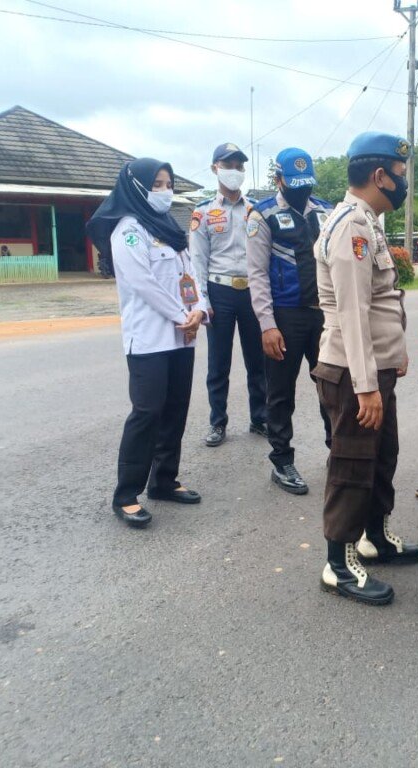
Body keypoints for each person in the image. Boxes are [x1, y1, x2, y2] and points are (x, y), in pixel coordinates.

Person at [312, 131, 418, 606]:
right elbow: (353, 312)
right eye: (400, 175)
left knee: (382, 457)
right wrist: (365, 386)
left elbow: (383, 301)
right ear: (379, 176)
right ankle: (338, 565)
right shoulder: (351, 227)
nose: (404, 183)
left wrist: (393, 358)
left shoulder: (369, 223)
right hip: (353, 374)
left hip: (374, 370)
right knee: (352, 464)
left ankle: (373, 537)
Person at [86, 158, 208, 529]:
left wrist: (200, 309)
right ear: (137, 188)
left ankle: (164, 481)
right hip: (149, 339)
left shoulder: (168, 227)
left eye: (168, 184)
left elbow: (190, 274)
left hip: (181, 337)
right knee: (146, 413)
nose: (165, 191)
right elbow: (142, 283)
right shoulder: (128, 231)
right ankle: (126, 494)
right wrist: (183, 315)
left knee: (175, 410)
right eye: (156, 184)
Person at [247, 148, 334, 495]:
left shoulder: (326, 211)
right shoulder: (263, 215)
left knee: (331, 387)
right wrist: (267, 325)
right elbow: (256, 274)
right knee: (281, 393)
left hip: (324, 315)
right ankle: (282, 461)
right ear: (279, 179)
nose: (302, 191)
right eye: (295, 184)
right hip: (284, 316)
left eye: (306, 184)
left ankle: (337, 451)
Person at [190, 142, 267, 447]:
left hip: (251, 290)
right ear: (215, 168)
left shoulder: (256, 210)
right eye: (228, 165)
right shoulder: (204, 212)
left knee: (257, 361)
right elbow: (197, 261)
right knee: (218, 363)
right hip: (219, 291)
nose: (234, 171)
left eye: (239, 166)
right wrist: (203, 301)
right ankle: (217, 422)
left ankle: (260, 418)